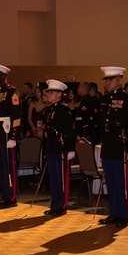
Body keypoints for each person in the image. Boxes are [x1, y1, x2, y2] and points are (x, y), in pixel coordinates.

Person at [97, 67, 128, 228]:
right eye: (106, 80)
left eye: (111, 79)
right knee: (111, 182)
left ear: (120, 80)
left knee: (122, 183)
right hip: (109, 146)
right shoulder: (104, 99)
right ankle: (114, 213)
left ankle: (124, 215)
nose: (107, 83)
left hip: (122, 146)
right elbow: (103, 125)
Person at [0, 64, 23, 208]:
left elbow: (16, 116)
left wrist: (13, 137)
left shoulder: (12, 92)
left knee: (9, 167)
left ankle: (11, 196)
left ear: (3, 76)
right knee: (1, 167)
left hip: (7, 133)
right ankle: (4, 195)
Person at [41, 79, 75, 216]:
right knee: (53, 178)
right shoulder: (48, 110)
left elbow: (69, 130)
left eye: (52, 92)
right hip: (51, 146)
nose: (48, 94)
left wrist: (71, 148)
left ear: (59, 94)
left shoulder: (63, 110)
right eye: (48, 92)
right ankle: (54, 204)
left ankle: (62, 205)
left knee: (61, 179)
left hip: (61, 147)